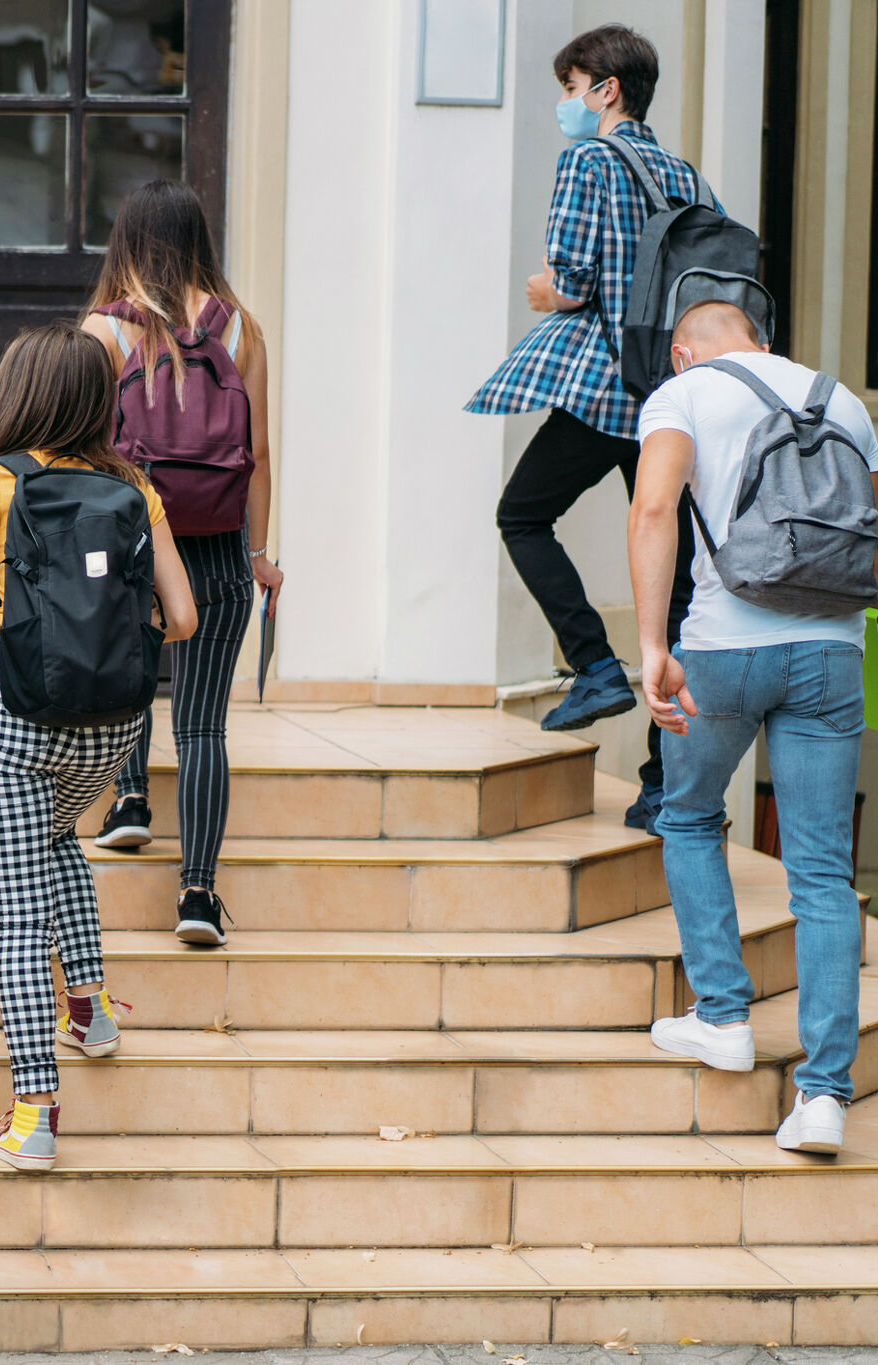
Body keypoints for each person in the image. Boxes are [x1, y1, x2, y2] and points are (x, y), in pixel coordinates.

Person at [0, 322, 199, 1171]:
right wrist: (103, 652)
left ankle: (33, 1114)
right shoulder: (135, 486)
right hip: (115, 727)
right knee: (57, 837)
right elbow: (186, 617)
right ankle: (89, 1008)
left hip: (18, 722)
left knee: (16, 919)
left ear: (18, 391)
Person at [629, 301, 877, 1157]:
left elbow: (654, 509)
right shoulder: (839, 398)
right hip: (832, 654)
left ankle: (725, 1015)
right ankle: (823, 1098)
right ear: (763, 342)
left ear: (682, 350)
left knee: (691, 814)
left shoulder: (684, 393)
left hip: (723, 650)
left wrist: (653, 644)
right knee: (821, 872)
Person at [467, 24, 704, 830]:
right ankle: (662, 784)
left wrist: (543, 289)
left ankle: (595, 664)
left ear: (606, 89)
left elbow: (570, 280)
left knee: (522, 513)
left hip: (607, 384)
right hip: (671, 393)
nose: (565, 105)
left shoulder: (588, 159)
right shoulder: (683, 172)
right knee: (673, 581)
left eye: (570, 88)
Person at [78, 179, 282, 947]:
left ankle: (130, 801)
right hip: (221, 547)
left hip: (134, 541)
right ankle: (198, 894)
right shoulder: (243, 331)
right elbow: (257, 455)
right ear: (200, 239)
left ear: (127, 239)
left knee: (129, 679)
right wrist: (260, 554)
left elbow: (88, 447)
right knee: (202, 726)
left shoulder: (106, 329)